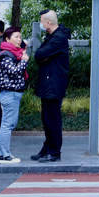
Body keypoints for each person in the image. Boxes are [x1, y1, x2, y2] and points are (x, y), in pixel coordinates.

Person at [31, 10, 71, 163]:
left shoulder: (58, 38)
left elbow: (39, 55)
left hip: (54, 84)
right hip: (49, 83)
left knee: (52, 120)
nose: (41, 24)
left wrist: (43, 57)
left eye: (42, 21)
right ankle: (47, 148)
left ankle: (54, 152)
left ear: (48, 23)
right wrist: (43, 57)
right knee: (47, 119)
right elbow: (40, 56)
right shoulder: (52, 36)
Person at [0, 27, 29, 164]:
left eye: (20, 37)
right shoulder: (6, 55)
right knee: (8, 125)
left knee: (6, 124)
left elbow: (22, 48)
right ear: (7, 39)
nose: (19, 39)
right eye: (16, 37)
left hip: (11, 93)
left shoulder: (12, 52)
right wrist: (24, 61)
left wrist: (23, 51)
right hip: (9, 93)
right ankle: (5, 155)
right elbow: (14, 71)